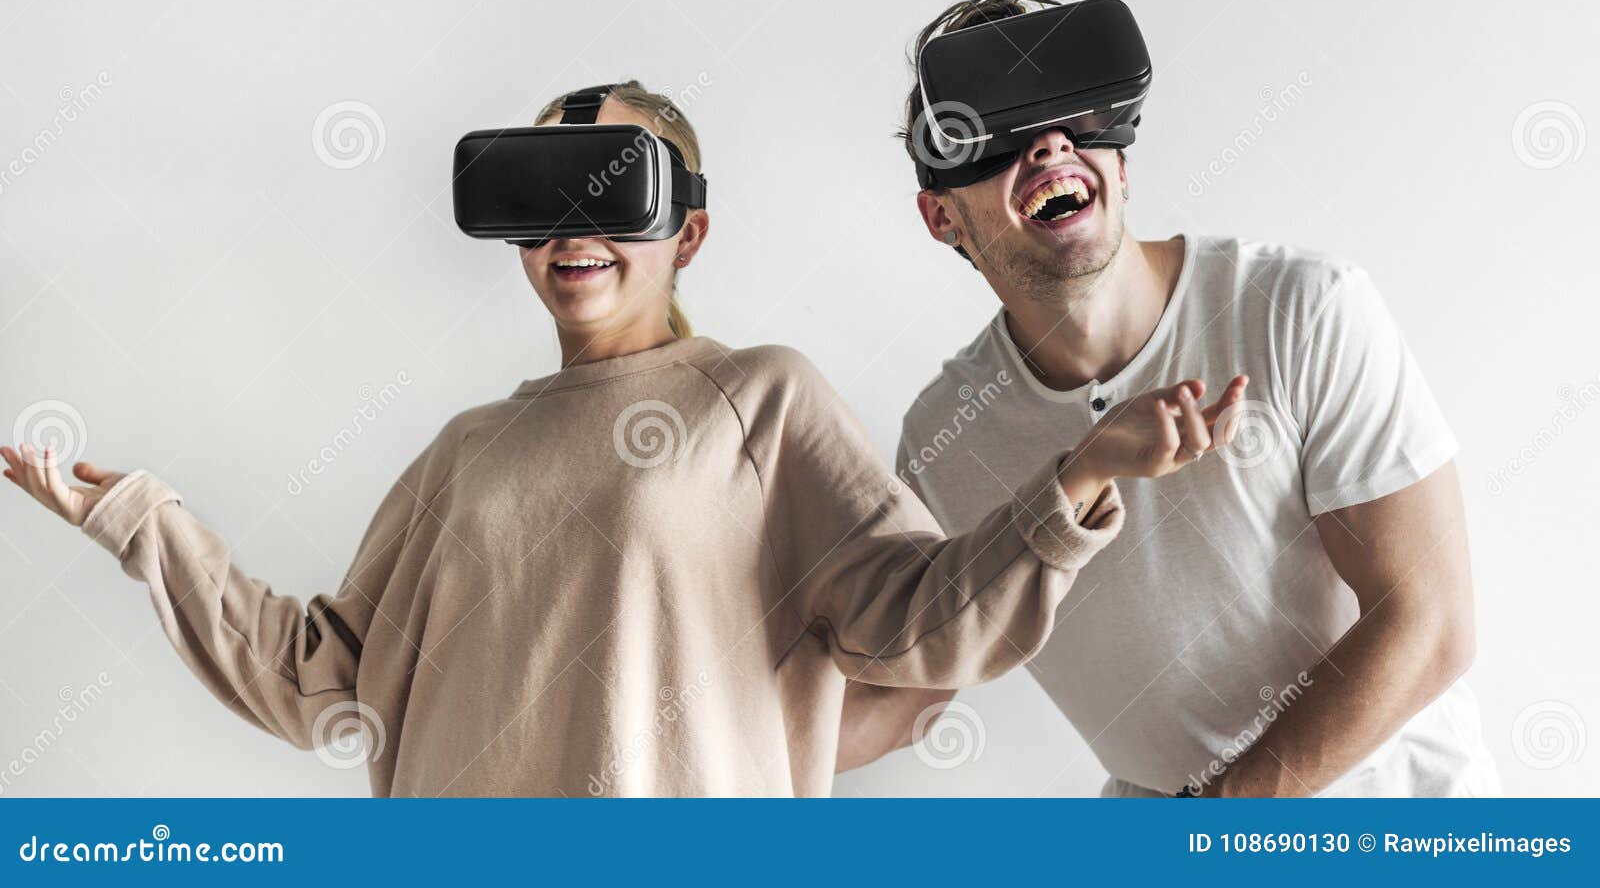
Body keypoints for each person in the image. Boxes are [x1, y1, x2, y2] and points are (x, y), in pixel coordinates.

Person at [2, 80, 1240, 797]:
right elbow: (324, 680)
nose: (571, 228)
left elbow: (918, 631)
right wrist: (142, 523)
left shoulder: (758, 400)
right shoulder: (467, 452)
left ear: (687, 232)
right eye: (541, 196)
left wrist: (1078, 478)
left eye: (610, 188)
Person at [894, 0, 1500, 797]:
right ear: (943, 217)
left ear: (1120, 162)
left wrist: (1217, 822)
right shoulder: (941, 442)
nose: (1047, 145)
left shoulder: (1300, 309)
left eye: (1074, 118)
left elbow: (1431, 624)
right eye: (995, 137)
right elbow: (906, 686)